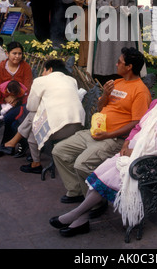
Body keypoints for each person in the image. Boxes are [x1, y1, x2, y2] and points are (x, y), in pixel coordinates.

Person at [49, 75, 157, 237]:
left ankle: (76, 215)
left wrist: (138, 151)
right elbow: (139, 127)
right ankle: (80, 219)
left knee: (111, 176)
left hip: (155, 161)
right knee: (102, 171)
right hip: (133, 153)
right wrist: (127, 143)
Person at [52, 47, 151, 210]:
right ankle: (77, 190)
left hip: (113, 139)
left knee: (81, 164)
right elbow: (99, 108)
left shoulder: (140, 91)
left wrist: (108, 134)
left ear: (129, 67)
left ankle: (95, 202)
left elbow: (137, 123)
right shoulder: (117, 83)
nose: (116, 64)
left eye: (119, 62)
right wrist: (105, 94)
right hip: (95, 133)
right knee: (59, 151)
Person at [0, 59, 86, 174]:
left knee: (33, 115)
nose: (42, 73)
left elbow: (31, 106)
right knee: (34, 127)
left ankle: (12, 143)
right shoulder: (72, 80)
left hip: (57, 128)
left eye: (44, 70)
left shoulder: (40, 81)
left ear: (50, 69)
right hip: (77, 125)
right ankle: (34, 163)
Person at [87, 0, 145, 84]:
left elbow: (132, 2)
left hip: (124, 22)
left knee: (123, 47)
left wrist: (126, 9)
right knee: (107, 48)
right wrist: (109, 6)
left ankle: (124, 75)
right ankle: (104, 76)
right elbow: (98, 1)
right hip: (108, 21)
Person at [0, 41, 33, 158]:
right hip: (2, 100)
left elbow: (28, 87)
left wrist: (16, 98)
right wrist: (7, 97)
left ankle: (4, 146)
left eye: (20, 54)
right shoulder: (1, 67)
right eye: (14, 53)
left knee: (9, 117)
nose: (17, 56)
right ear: (7, 54)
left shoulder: (25, 67)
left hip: (20, 101)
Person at [72, 0, 100, 67]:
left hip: (98, 11)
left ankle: (96, 62)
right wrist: (82, 2)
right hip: (86, 11)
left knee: (98, 35)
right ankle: (84, 62)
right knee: (85, 37)